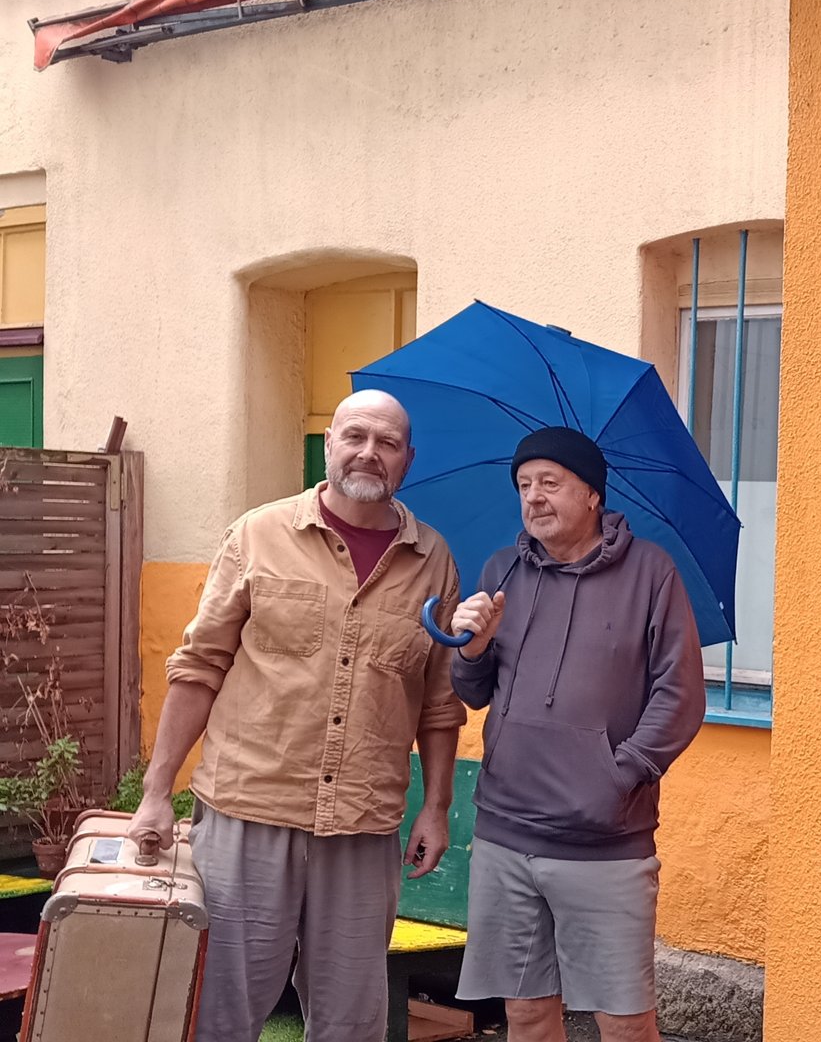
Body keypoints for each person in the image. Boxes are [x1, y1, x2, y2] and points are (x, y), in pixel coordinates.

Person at [126, 389, 467, 1042]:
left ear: (408, 459)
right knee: (219, 1013)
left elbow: (439, 700)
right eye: (356, 436)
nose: (370, 452)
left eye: (388, 442)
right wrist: (155, 792)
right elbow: (199, 667)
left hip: (363, 828)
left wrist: (436, 806)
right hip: (248, 809)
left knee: (352, 1023)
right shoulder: (259, 533)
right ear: (330, 444)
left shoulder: (433, 561)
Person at [448, 426, 706, 1042]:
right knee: (526, 1014)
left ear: (592, 494)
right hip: (505, 834)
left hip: (604, 842)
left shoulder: (651, 573)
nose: (534, 497)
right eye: (524, 485)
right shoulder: (500, 569)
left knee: (623, 1021)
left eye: (550, 483)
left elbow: (681, 692)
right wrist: (472, 648)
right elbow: (474, 690)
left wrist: (620, 776)